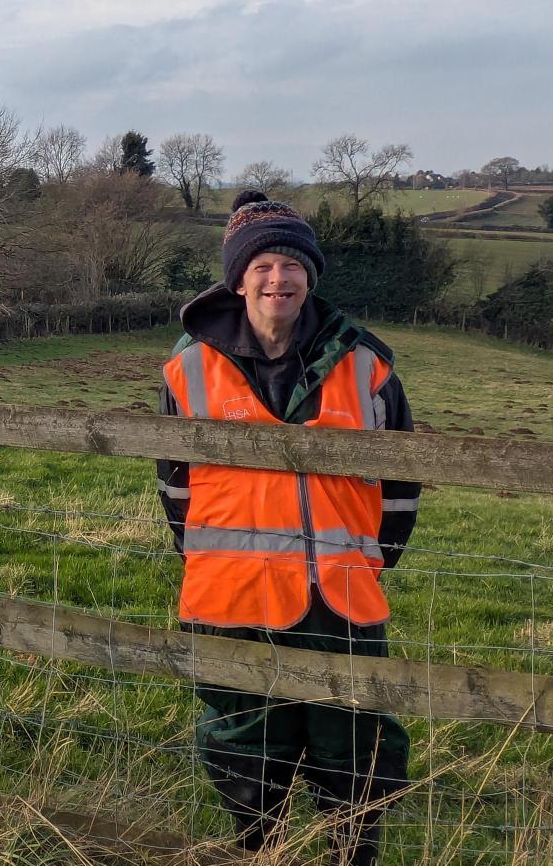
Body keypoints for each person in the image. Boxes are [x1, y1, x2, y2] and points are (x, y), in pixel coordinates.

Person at [156, 191, 418, 865]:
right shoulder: (187, 366)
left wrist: (363, 559)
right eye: (264, 264)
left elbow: (399, 486)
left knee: (353, 741)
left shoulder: (366, 363)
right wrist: (212, 557)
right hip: (229, 596)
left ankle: (347, 854)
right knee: (244, 741)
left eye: (293, 264)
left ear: (311, 275)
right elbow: (173, 484)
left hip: (340, 599)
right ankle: (259, 851)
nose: (279, 278)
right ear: (237, 276)